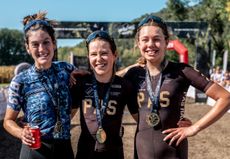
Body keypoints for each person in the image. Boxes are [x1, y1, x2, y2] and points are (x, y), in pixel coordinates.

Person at [119, 15, 230, 159]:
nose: (151, 44)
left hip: (174, 152)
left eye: (157, 39)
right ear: (138, 44)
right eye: (145, 40)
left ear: (166, 42)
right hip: (141, 152)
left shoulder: (182, 71)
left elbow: (225, 97)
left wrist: (194, 128)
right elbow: (106, 83)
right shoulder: (133, 74)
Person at [3, 11, 75, 159]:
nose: (42, 49)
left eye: (46, 42)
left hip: (64, 149)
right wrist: (21, 133)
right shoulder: (20, 81)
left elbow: (96, 76)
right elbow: (8, 121)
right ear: (28, 47)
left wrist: (78, 75)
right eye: (35, 44)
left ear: (54, 43)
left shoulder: (66, 69)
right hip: (35, 150)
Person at [70, 30, 139, 159]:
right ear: (88, 57)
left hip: (114, 153)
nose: (98, 59)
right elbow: (66, 117)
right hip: (85, 153)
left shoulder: (125, 86)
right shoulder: (80, 83)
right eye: (93, 54)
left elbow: (141, 120)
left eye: (104, 53)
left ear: (115, 55)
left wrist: (175, 122)